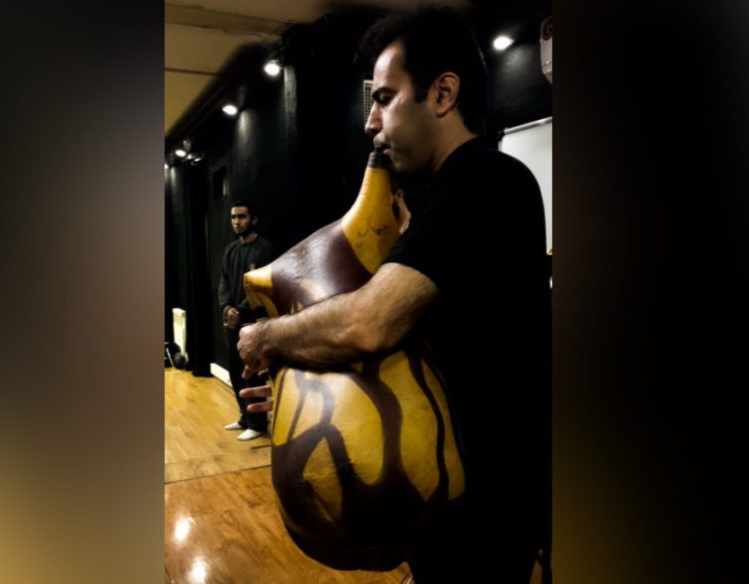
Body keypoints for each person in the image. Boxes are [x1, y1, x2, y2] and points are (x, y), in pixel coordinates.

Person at [238, 6, 551, 581]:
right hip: (455, 508)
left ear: (443, 94)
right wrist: (297, 384)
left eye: (384, 98)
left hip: (488, 514)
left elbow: (368, 322)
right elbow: (418, 347)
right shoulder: (442, 197)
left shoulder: (483, 183)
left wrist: (266, 339)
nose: (370, 122)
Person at [216, 200, 276, 441]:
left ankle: (257, 423)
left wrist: (239, 311)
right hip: (232, 320)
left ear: (254, 219)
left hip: (253, 320)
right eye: (233, 217)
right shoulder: (230, 250)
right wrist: (226, 308)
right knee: (235, 370)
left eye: (241, 217)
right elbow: (223, 282)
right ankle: (244, 417)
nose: (236, 221)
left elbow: (262, 285)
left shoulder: (264, 249)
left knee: (251, 370)